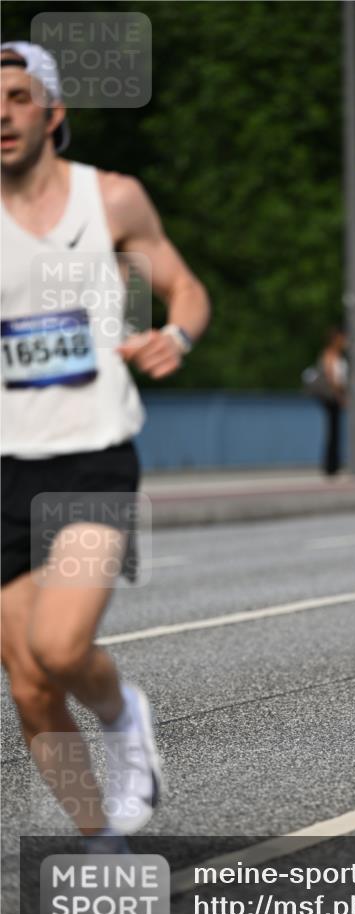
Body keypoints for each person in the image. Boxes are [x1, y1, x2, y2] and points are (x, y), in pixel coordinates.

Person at [1, 43, 210, 848]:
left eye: (18, 97)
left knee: (58, 647)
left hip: (92, 454)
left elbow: (186, 288)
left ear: (53, 114)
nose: (2, 113)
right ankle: (99, 841)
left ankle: (126, 718)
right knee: (29, 688)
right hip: (4, 467)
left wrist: (176, 338)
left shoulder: (112, 198)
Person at [319, 327, 347, 476]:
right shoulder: (329, 355)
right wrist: (340, 396)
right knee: (333, 431)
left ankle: (334, 464)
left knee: (336, 431)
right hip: (332, 398)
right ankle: (331, 466)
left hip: (336, 396)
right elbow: (331, 378)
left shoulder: (338, 355)